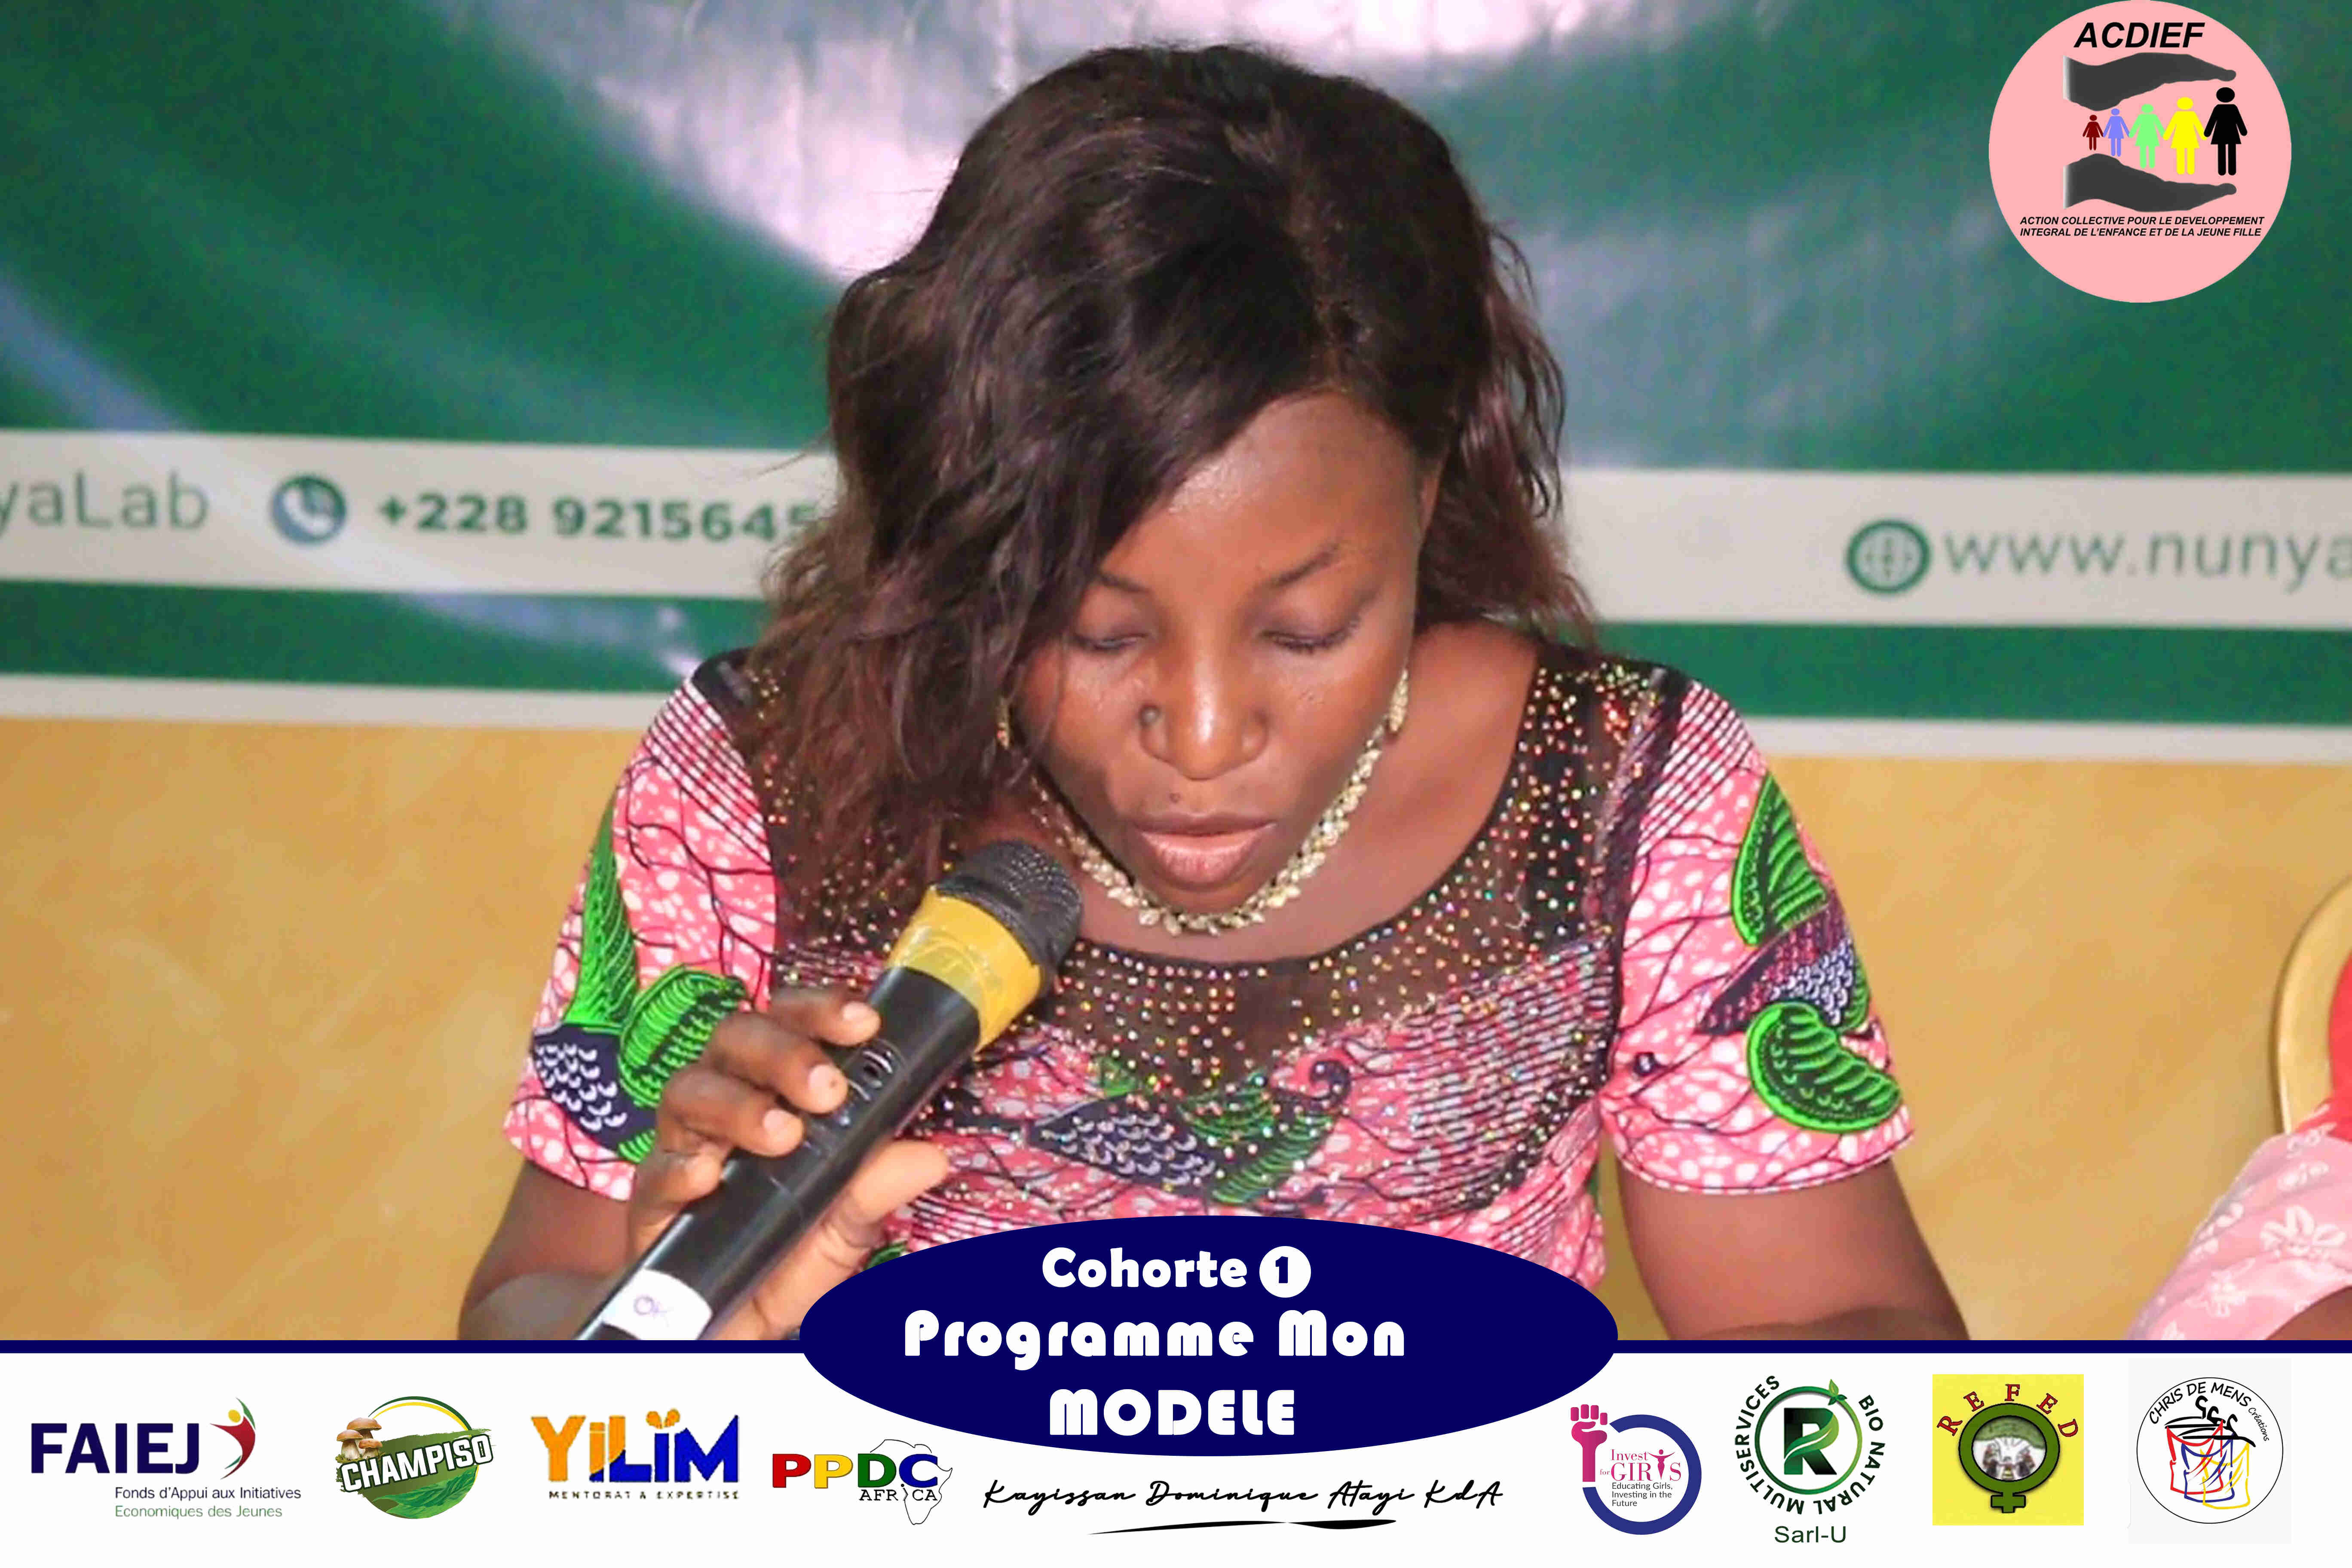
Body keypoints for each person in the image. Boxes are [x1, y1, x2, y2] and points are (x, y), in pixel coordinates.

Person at [459, 44, 1964, 1342]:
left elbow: (1860, 1363)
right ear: (972, 549)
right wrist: (677, 1321)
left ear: (1427, 497)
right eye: (1096, 632)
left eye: (1305, 631)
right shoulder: (759, 783)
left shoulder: (1624, 788)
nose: (1199, 735)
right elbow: (522, 1326)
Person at [2203, 86, 2248, 178]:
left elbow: (2212, 121)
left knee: (2221, 152)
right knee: (2232, 152)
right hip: (2232, 133)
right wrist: (2243, 131)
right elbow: (2239, 121)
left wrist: (2208, 132)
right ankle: (2232, 170)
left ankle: (2222, 170)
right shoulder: (2234, 108)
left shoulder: (2218, 108)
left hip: (2220, 133)